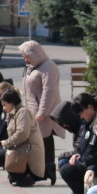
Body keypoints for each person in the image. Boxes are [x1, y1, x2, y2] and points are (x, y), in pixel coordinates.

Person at [19, 40, 62, 185]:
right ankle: (43, 171)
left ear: (35, 54)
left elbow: (49, 91)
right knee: (40, 142)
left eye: (27, 56)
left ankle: (43, 171)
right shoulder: (32, 66)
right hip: (33, 112)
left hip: (42, 113)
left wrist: (43, 111)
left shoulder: (49, 66)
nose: (25, 59)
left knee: (43, 141)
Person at [59, 92, 97, 194]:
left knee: (67, 170)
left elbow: (93, 153)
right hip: (86, 161)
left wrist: (79, 161)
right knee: (66, 166)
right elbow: (85, 147)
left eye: (82, 112)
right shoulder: (87, 123)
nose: (81, 116)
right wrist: (78, 155)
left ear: (90, 107)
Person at [0, 88, 44, 186]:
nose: (3, 108)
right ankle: (20, 174)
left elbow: (22, 134)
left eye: (4, 105)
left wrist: (7, 143)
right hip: (19, 147)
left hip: (28, 149)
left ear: (12, 103)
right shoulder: (12, 113)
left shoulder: (23, 112)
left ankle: (29, 175)